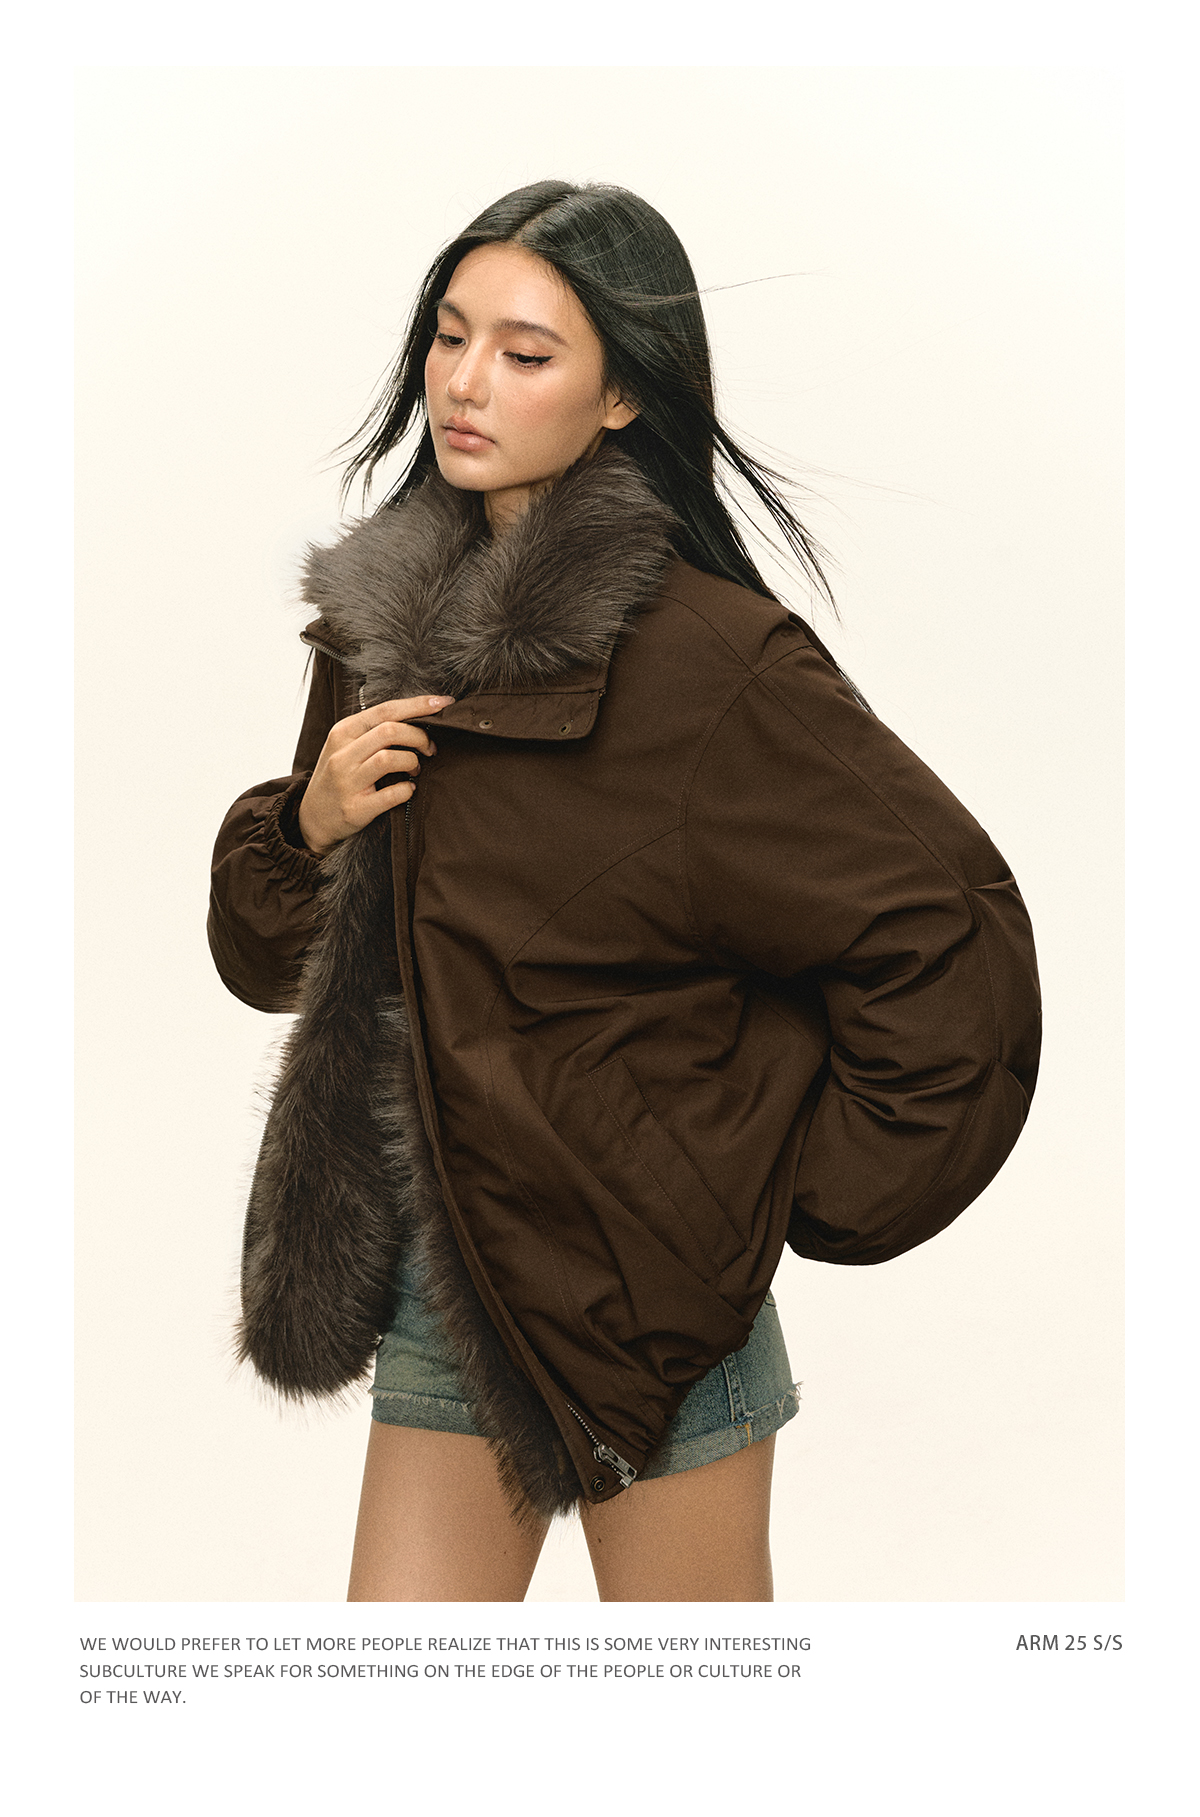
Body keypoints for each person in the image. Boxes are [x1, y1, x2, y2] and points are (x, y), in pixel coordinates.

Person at [207, 180, 1041, 1604]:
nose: (466, 383)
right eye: (451, 336)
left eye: (525, 353)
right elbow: (283, 967)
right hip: (448, 1280)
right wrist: (306, 823)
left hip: (659, 1305)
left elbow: (943, 930)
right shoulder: (380, 631)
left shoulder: (714, 662)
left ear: (622, 397)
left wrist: (747, 1186)